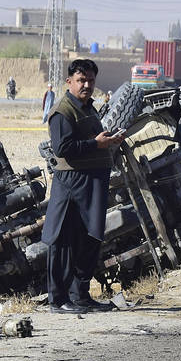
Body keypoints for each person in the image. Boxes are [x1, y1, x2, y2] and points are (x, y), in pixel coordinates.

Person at [42, 58, 126, 314]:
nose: (86, 85)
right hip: (71, 185)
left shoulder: (89, 108)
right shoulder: (62, 111)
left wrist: (109, 141)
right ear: (69, 82)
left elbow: (90, 140)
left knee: (89, 238)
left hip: (91, 184)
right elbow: (62, 149)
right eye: (81, 80)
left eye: (90, 80)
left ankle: (80, 296)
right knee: (63, 241)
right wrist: (96, 145)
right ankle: (57, 300)